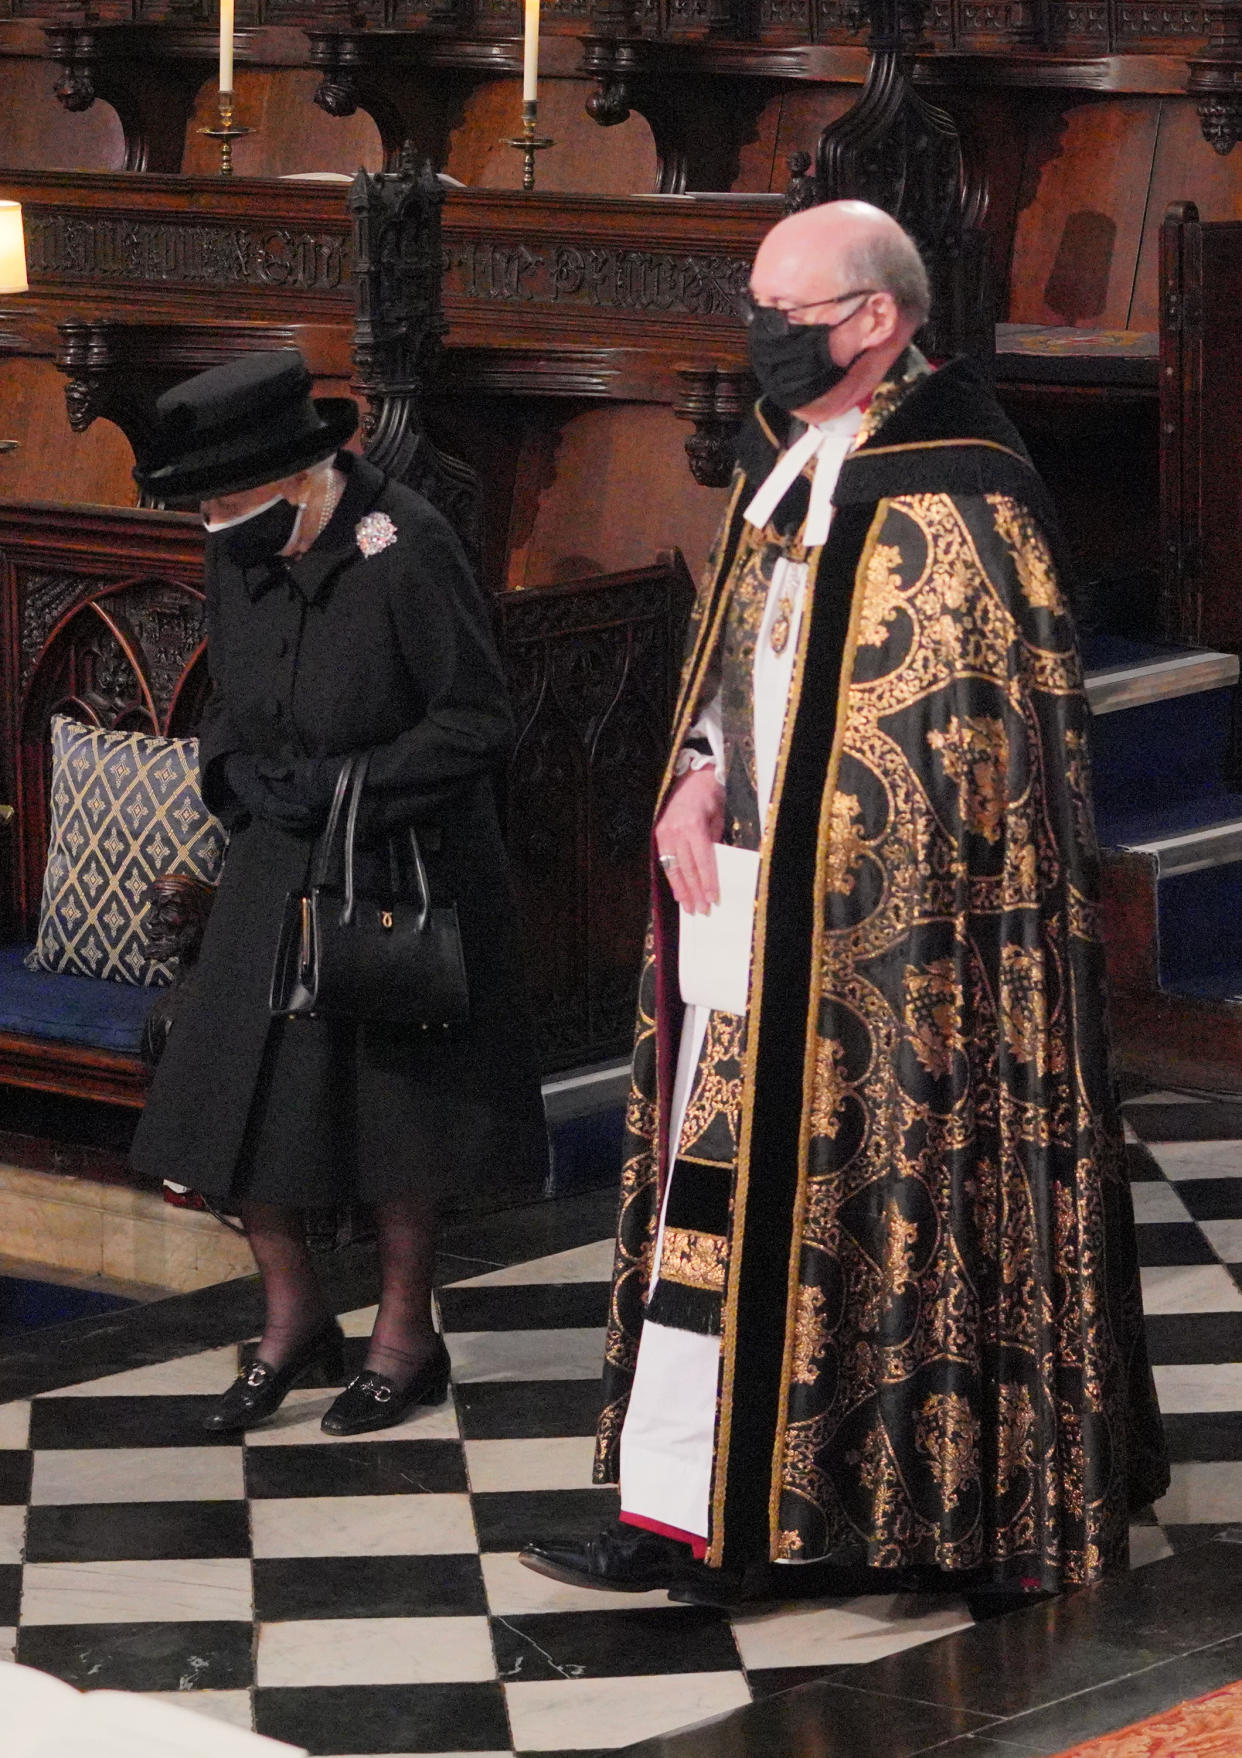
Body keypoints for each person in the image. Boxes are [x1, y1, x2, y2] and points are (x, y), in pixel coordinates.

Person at [520, 201, 1168, 1606]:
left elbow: (984, 756)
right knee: (709, 1212)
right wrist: (696, 772)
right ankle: (680, 1507)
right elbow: (745, 668)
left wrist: (851, 868)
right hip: (747, 917)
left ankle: (870, 1511)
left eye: (787, 311)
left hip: (897, 960)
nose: (759, 337)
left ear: (876, 318)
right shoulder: (778, 456)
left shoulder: (963, 490)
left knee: (862, 1219)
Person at [130, 350, 547, 1436]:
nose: (215, 521)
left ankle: (405, 1341)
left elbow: (476, 721)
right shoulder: (240, 547)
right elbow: (226, 699)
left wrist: (344, 784)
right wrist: (233, 772)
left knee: (393, 1118)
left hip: (399, 867)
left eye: (227, 497)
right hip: (276, 853)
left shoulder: (407, 548)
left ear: (297, 474)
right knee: (231, 1105)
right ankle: (294, 1321)